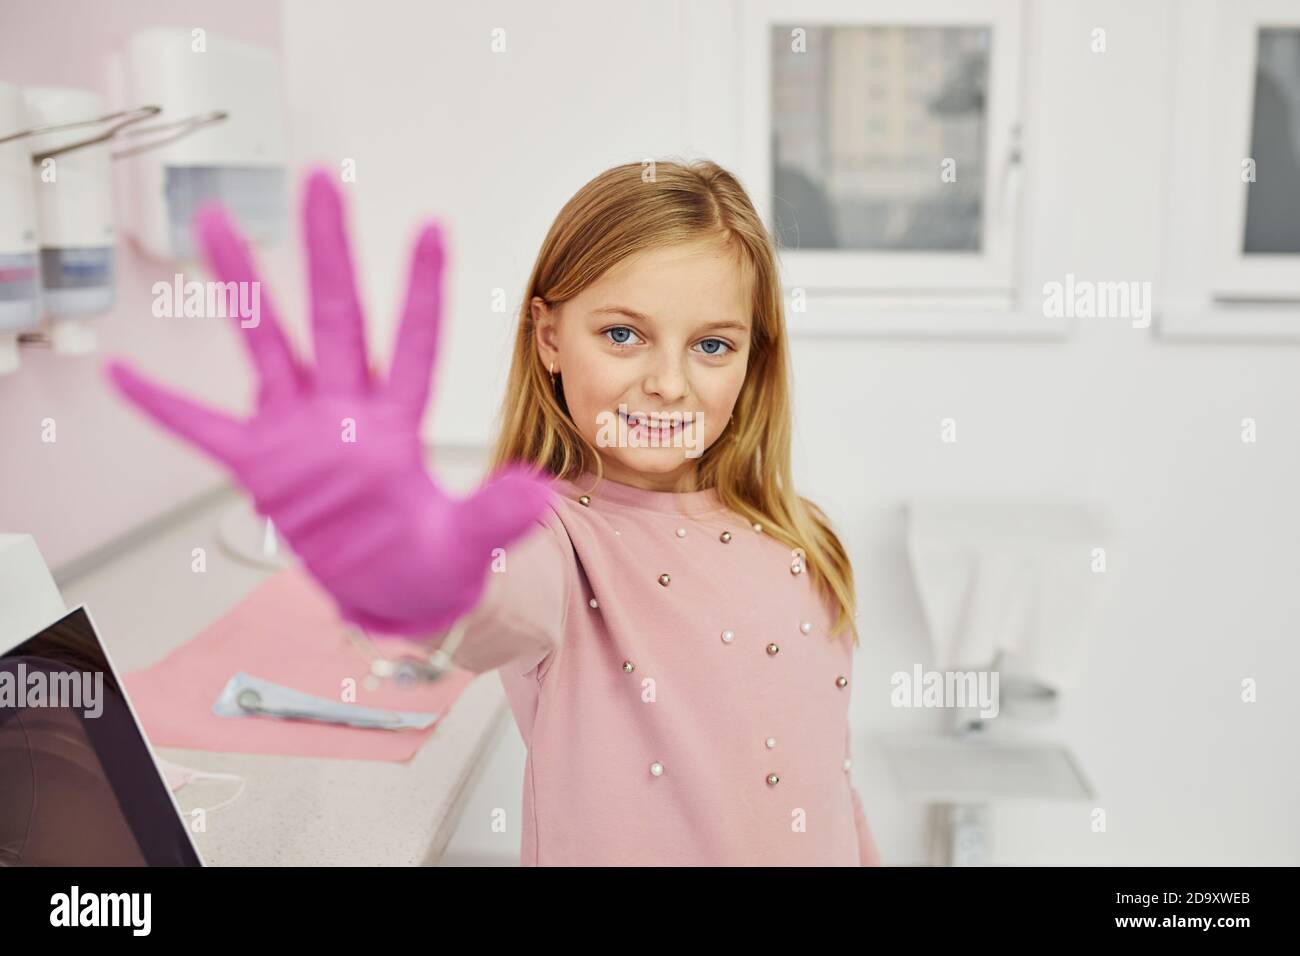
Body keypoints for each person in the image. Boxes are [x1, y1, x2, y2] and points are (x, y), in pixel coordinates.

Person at [104, 160, 882, 866]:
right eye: (622, 335)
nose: (669, 384)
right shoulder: (553, 542)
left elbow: (832, 793)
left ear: (755, 359)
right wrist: (393, 554)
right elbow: (476, 598)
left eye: (712, 346)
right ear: (549, 336)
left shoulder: (803, 539)